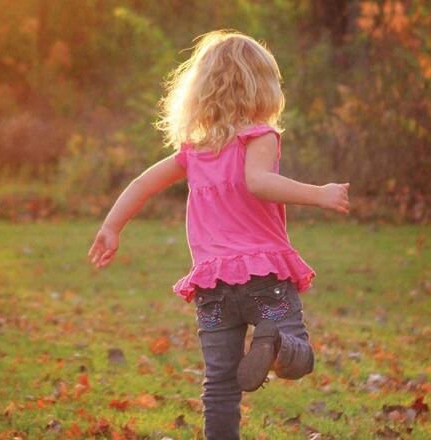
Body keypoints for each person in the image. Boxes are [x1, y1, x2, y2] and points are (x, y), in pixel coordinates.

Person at [87, 30, 350, 439]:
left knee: (220, 386)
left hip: (213, 286)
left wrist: (111, 227)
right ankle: (276, 345)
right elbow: (259, 183)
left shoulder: (194, 151)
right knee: (299, 358)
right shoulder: (259, 135)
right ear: (262, 86)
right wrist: (320, 194)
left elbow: (142, 184)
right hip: (264, 278)